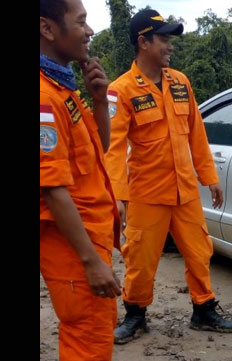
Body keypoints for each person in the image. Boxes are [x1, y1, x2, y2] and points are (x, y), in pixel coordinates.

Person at [105, 9, 232, 344]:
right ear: (143, 41)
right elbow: (114, 149)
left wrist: (210, 177)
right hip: (146, 193)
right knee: (139, 257)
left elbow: (196, 134)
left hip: (185, 191)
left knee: (199, 250)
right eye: (164, 39)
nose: (170, 46)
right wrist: (117, 198)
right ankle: (135, 315)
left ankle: (204, 308)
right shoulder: (121, 90)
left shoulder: (181, 82)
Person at [40, 0, 122, 359]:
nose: (90, 32)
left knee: (88, 338)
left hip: (89, 239)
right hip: (75, 248)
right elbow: (52, 187)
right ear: (47, 29)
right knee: (87, 341)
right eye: (81, 22)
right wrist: (90, 261)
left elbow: (96, 151)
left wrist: (100, 101)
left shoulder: (63, 89)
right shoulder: (44, 98)